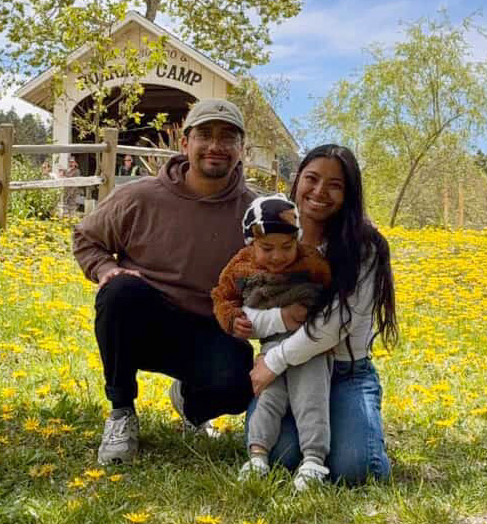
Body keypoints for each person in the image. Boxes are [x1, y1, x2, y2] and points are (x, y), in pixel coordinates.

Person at [73, 98, 257, 464]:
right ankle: (121, 411)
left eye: (228, 138)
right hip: (143, 323)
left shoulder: (254, 212)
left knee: (241, 382)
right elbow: (86, 238)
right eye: (205, 135)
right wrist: (105, 270)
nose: (216, 146)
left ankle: (191, 402)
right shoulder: (140, 197)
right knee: (120, 291)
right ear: (184, 143)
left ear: (241, 150)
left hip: (209, 329)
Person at [236, 144, 398, 484]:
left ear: (349, 194)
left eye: (335, 185)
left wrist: (274, 360)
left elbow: (335, 327)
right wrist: (264, 330)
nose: (320, 191)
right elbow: (250, 303)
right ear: (298, 181)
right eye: (312, 178)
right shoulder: (270, 235)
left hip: (344, 371)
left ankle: (357, 428)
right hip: (284, 372)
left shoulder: (363, 247)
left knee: (357, 470)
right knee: (280, 457)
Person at [211, 194, 333, 488]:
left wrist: (314, 308)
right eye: (267, 248)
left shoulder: (311, 261)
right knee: (268, 395)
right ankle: (257, 457)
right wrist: (231, 318)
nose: (278, 256)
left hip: (310, 343)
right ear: (250, 243)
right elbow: (222, 297)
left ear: (298, 241)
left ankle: (314, 461)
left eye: (286, 247)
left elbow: (332, 297)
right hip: (270, 347)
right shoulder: (239, 268)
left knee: (311, 395)